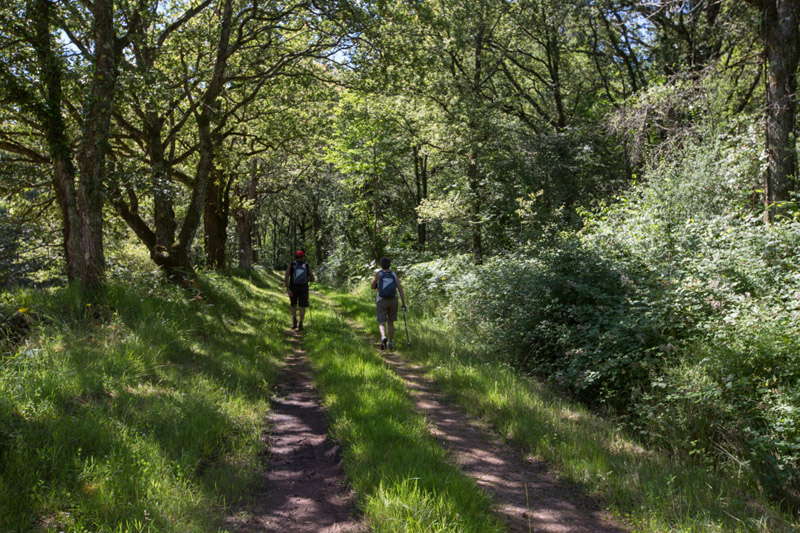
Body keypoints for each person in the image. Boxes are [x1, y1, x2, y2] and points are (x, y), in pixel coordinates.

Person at [371, 257, 407, 350]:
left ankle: (383, 337)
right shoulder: (394, 274)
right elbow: (400, 289)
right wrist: (403, 303)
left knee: (382, 322)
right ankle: (390, 342)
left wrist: (375, 283)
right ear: (389, 265)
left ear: (381, 265)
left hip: (381, 300)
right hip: (393, 299)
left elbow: (372, 286)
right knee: (390, 322)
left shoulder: (378, 274)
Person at [285, 250, 314, 330]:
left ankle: (294, 321)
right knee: (302, 306)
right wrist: (307, 278)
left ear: (296, 257)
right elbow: (312, 279)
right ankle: (301, 323)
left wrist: (288, 289)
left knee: (293, 304)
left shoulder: (291, 265)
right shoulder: (307, 266)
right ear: (303, 257)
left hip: (293, 287)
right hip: (304, 288)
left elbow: (286, 277)